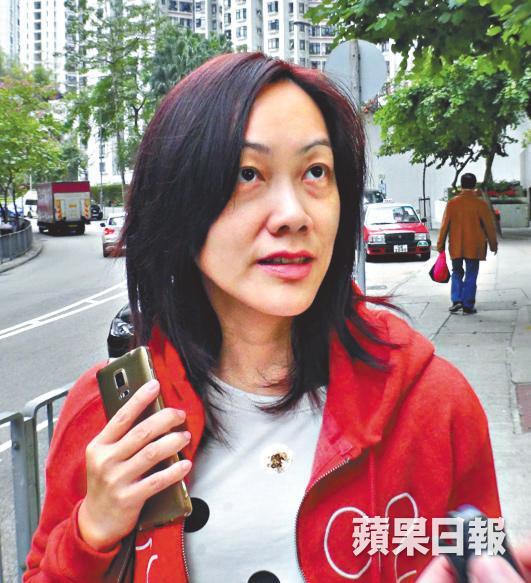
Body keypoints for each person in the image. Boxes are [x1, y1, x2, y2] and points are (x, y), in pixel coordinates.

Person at [25, 53, 502, 582]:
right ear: (179, 202)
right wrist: (90, 531)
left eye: (316, 172)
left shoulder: (434, 404)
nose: (294, 215)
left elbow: (481, 554)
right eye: (248, 174)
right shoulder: (110, 418)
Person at [437, 173, 498, 315]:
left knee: (456, 272)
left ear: (461, 185)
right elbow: (489, 226)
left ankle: (456, 299)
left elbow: (444, 225)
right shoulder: (480, 204)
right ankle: (468, 304)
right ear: (474, 185)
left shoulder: (452, 203)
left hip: (456, 246)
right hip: (474, 247)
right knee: (471, 274)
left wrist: (440, 244)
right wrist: (493, 244)